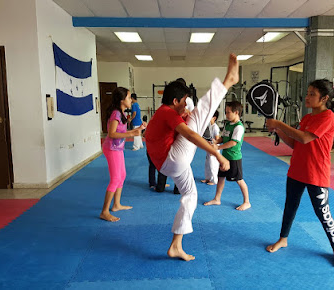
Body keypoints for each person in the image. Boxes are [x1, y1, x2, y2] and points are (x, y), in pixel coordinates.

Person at [145, 54, 239, 261]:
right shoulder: (168, 113)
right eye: (184, 103)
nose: (186, 107)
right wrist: (216, 154)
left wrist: (184, 116)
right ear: (175, 101)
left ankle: (176, 245)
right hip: (173, 160)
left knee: (191, 195)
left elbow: (172, 129)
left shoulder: (164, 112)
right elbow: (190, 135)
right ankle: (227, 81)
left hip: (167, 164)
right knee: (198, 115)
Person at [265, 79, 334, 268]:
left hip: (316, 174)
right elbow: (296, 143)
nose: (307, 97)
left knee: (323, 213)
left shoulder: (328, 117)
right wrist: (278, 130)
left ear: (325, 98)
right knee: (290, 207)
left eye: (312, 94)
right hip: (297, 170)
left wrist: (279, 122)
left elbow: (304, 137)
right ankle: (283, 239)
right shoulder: (308, 117)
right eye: (307, 93)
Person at [100, 87, 146, 222]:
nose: (131, 99)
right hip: (111, 149)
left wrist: (139, 129)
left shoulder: (121, 113)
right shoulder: (115, 114)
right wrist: (132, 133)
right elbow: (112, 134)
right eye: (128, 97)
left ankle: (116, 204)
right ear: (121, 100)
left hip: (118, 148)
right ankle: (104, 211)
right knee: (115, 179)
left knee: (122, 175)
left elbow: (121, 131)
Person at [204, 102, 251, 210]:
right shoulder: (228, 124)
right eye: (226, 112)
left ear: (236, 112)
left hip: (234, 158)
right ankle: (217, 199)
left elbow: (233, 142)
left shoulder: (239, 127)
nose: (226, 114)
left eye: (228, 112)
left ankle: (247, 202)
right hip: (225, 157)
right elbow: (224, 138)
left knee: (239, 180)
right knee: (220, 178)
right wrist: (216, 142)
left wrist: (218, 148)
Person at [201, 110, 221, 186]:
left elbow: (217, 139)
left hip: (214, 148)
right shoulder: (210, 126)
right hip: (209, 147)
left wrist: (214, 145)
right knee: (207, 163)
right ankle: (208, 178)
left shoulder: (215, 127)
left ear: (214, 118)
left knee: (213, 164)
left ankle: (214, 180)